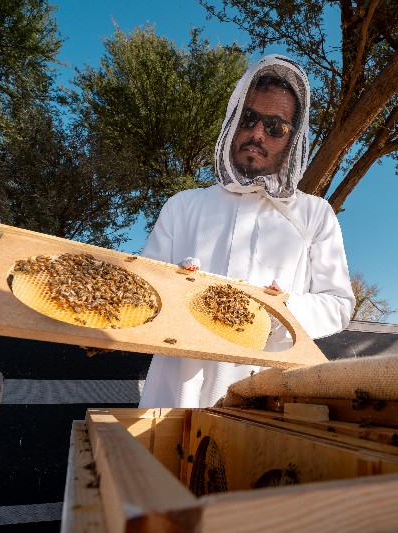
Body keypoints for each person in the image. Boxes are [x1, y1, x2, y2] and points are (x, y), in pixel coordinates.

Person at [138, 55, 355, 408]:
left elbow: (339, 303)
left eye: (275, 127)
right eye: (249, 119)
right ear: (233, 122)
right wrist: (176, 286)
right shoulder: (183, 206)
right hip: (175, 396)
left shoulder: (316, 215)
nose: (257, 133)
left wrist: (279, 311)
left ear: (292, 139)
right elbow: (146, 293)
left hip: (268, 399)